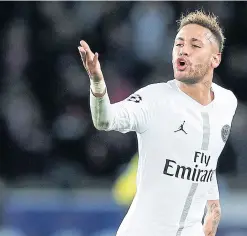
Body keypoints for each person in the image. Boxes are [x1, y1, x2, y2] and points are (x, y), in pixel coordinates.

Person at [78, 9, 237, 236]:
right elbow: (105, 120)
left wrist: (213, 204)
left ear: (215, 58)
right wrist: (96, 82)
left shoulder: (226, 102)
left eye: (195, 45)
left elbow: (206, 159)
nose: (183, 50)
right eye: (179, 44)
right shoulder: (155, 99)